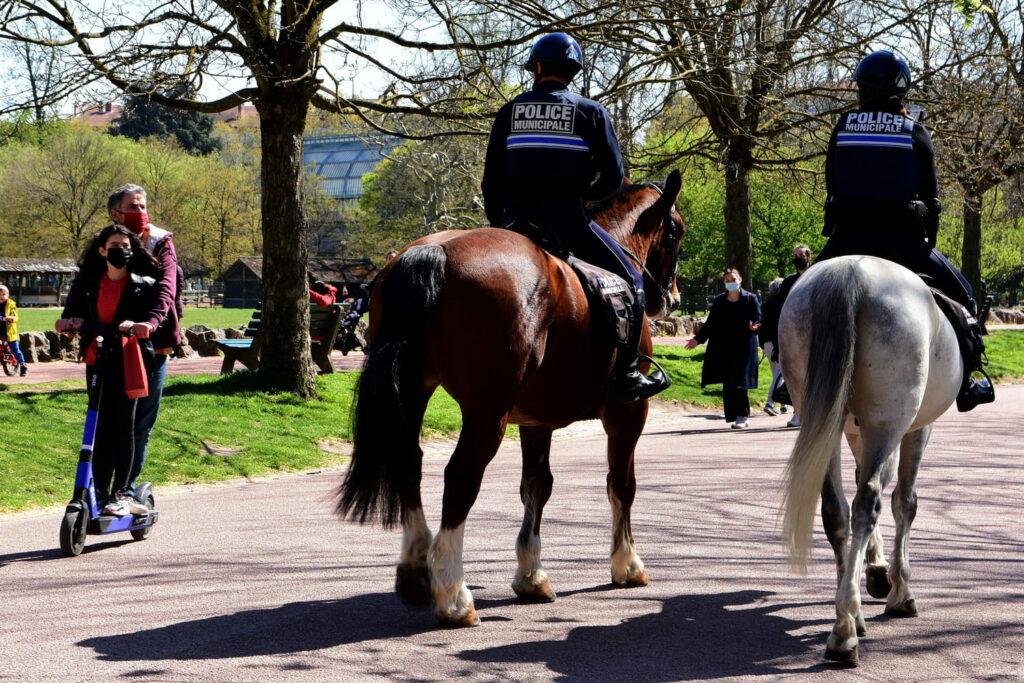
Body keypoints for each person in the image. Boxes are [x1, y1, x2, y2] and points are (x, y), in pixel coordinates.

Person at [481, 32, 670, 403]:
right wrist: (585, 198)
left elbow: (491, 180)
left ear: (536, 68)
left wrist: (499, 225)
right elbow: (614, 179)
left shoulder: (510, 111)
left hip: (515, 221)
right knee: (631, 279)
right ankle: (628, 372)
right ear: (572, 72)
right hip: (568, 220)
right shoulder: (590, 112)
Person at [817, 50, 993, 412]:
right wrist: (928, 240)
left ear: (861, 88)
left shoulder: (843, 127)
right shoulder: (914, 130)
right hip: (902, 242)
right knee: (966, 298)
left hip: (847, 238)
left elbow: (831, 184)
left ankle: (789, 377)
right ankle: (971, 380)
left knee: (790, 297)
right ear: (903, 90)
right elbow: (932, 197)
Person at [56, 225, 163, 516]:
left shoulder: (144, 284)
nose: (121, 250)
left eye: (126, 245)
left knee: (124, 427)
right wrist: (68, 324)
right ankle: (100, 490)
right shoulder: (90, 283)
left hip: (130, 358)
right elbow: (73, 314)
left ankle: (123, 492)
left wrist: (142, 325)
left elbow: (156, 315)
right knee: (99, 427)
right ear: (102, 250)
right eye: (114, 245)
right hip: (98, 357)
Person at [105, 184, 182, 492]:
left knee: (139, 426)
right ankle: (100, 487)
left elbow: (166, 289)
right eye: (133, 207)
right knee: (108, 423)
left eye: (142, 206)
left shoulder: (160, 241)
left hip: (153, 343)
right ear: (115, 213)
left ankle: (124, 488)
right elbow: (89, 282)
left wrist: (150, 322)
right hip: (112, 344)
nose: (141, 213)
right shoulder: (109, 242)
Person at [685, 268, 762, 429]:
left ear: (740, 279)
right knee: (729, 381)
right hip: (724, 345)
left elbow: (759, 317)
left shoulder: (750, 298)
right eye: (727, 280)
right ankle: (734, 415)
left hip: (745, 346)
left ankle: (742, 415)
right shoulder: (720, 300)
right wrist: (697, 340)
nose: (730, 283)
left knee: (740, 380)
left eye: (733, 279)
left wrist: (755, 326)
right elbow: (711, 323)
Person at [759, 244, 813, 427]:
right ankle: (798, 413)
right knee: (795, 376)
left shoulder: (818, 277)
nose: (799, 257)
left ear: (809, 256)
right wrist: (777, 342)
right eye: (796, 255)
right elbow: (781, 313)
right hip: (795, 336)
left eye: (802, 254)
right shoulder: (789, 282)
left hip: (816, 333)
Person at [0, 284, 28, 376]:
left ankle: (23, 365)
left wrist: (10, 318)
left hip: (9, 332)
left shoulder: (11, 304)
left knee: (15, 349)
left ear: (7, 295)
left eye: (3, 294)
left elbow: (15, 317)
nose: (1, 296)